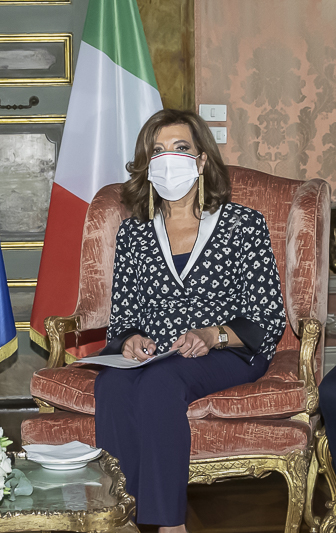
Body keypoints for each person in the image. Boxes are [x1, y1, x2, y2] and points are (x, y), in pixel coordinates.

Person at [94, 109, 286, 532]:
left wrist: (213, 335)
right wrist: (129, 340)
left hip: (231, 349)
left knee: (162, 383)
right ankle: (121, 513)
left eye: (181, 148)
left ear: (201, 161)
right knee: (112, 382)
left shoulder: (242, 224)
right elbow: (123, 316)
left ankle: (168, 525)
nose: (168, 159)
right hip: (158, 353)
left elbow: (268, 317)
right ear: (146, 165)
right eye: (157, 151)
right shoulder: (135, 233)